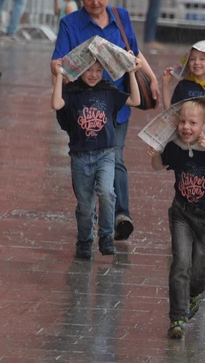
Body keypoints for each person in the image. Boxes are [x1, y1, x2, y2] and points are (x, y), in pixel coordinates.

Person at [50, 0, 161, 242]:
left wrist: (152, 76)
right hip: (83, 106)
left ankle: (121, 215)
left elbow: (133, 52)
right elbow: (57, 63)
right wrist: (58, 69)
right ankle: (90, 212)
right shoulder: (70, 23)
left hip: (116, 100)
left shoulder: (121, 17)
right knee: (87, 160)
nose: (95, 3)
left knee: (116, 156)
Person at [147, 98, 205, 339]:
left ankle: (195, 293)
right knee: (180, 263)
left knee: (198, 269)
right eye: (183, 122)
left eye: (193, 123)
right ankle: (177, 317)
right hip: (181, 212)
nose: (186, 127)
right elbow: (158, 165)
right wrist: (155, 153)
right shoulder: (176, 146)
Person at [51, 58, 141, 260]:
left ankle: (106, 236)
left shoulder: (108, 90)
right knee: (85, 206)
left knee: (108, 193)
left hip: (106, 153)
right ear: (80, 71)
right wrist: (59, 76)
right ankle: (84, 240)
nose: (93, 75)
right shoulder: (72, 92)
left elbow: (135, 101)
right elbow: (56, 103)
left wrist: (132, 73)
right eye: (89, 70)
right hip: (80, 156)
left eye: (98, 70)